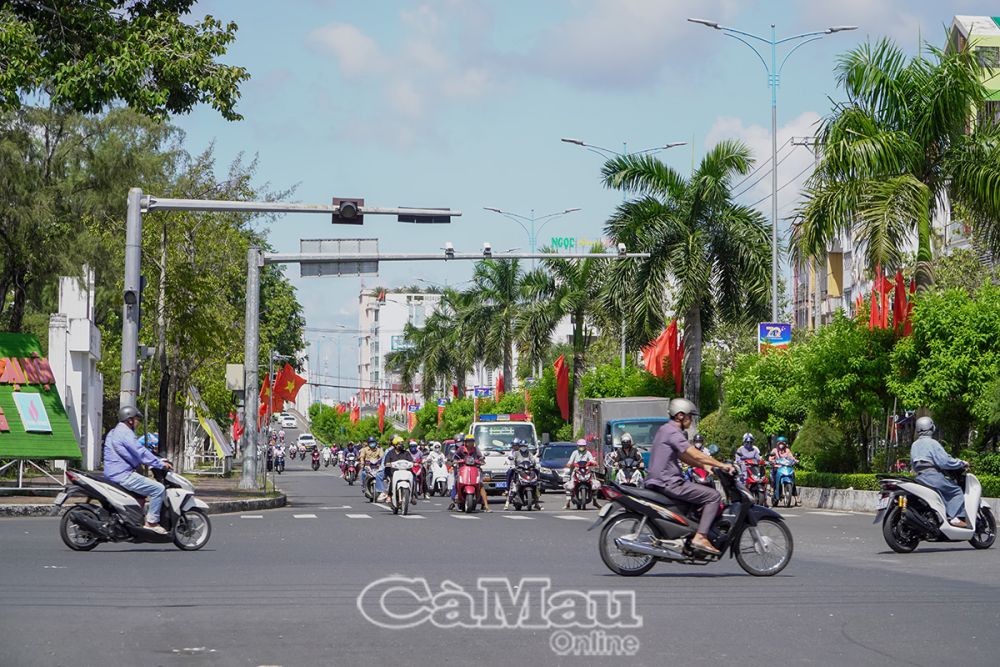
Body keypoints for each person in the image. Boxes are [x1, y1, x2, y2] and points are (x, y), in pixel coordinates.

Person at [644, 398, 734, 556]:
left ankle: (689, 534)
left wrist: (704, 466)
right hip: (669, 482)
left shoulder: (665, 429)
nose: (691, 420)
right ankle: (700, 536)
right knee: (713, 496)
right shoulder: (673, 431)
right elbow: (693, 452)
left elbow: (682, 456)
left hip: (660, 481)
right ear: (679, 415)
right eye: (689, 416)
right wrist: (721, 465)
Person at [102, 406, 172, 534]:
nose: (138, 422)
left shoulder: (114, 432)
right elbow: (139, 452)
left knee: (141, 494)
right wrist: (160, 464)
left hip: (112, 474)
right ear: (130, 420)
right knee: (158, 489)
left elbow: (133, 454)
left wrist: (154, 460)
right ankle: (152, 522)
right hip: (123, 475)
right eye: (136, 419)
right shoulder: (125, 433)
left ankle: (133, 520)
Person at [910, 416, 969, 527]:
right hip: (933, 477)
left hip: (919, 478)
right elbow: (944, 462)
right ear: (931, 428)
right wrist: (961, 463)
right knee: (955, 491)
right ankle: (955, 518)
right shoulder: (933, 443)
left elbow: (913, 464)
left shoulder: (914, 445)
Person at [449, 434, 490, 512]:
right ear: (465, 442)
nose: (470, 443)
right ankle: (455, 497)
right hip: (463, 469)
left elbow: (480, 457)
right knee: (457, 480)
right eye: (468, 441)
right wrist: (455, 461)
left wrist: (481, 460)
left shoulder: (475, 449)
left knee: (480, 484)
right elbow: (455, 457)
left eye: (471, 441)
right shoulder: (461, 449)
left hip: (475, 468)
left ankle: (486, 505)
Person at [564, 439, 600, 509]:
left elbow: (592, 460)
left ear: (585, 446)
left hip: (586, 471)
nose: (581, 447)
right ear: (578, 446)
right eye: (580, 446)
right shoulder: (575, 453)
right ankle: (567, 503)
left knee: (595, 485)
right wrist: (569, 464)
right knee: (570, 485)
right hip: (576, 471)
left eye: (583, 446)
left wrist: (593, 463)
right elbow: (570, 461)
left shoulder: (588, 453)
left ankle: (595, 501)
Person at [504, 439, 539, 510]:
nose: (523, 447)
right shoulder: (516, 453)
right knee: (510, 472)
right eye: (522, 446)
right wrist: (513, 465)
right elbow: (513, 460)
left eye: (525, 446)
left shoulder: (529, 453)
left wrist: (534, 464)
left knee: (537, 471)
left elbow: (533, 460)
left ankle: (538, 484)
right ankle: (507, 489)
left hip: (527, 470)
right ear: (519, 446)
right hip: (518, 470)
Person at [382, 436, 416, 505]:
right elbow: (386, 463)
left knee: (414, 479)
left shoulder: (406, 453)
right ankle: (389, 495)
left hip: (405, 472)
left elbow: (411, 461)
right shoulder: (390, 453)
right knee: (391, 480)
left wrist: (414, 463)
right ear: (395, 445)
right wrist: (389, 464)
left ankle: (412, 496)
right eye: (399, 444)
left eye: (402, 444)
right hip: (393, 472)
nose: (401, 445)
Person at [767, 436, 798, 505]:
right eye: (780, 443)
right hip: (777, 467)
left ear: (785, 444)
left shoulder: (787, 450)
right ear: (777, 444)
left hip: (785, 468)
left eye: (783, 443)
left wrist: (795, 460)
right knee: (772, 476)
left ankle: (796, 497)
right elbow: (770, 458)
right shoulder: (774, 450)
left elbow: (791, 457)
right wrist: (772, 460)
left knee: (792, 477)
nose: (781, 445)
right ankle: (772, 489)